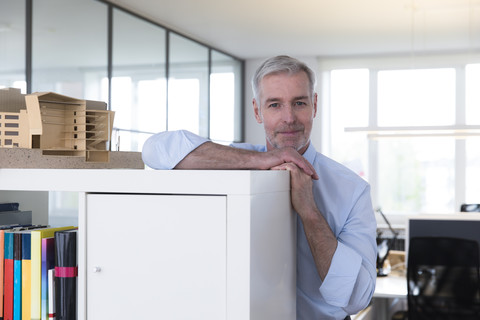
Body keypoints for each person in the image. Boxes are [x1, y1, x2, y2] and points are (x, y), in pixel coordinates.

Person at [142, 55, 377, 319]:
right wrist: (261, 160)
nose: (289, 118)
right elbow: (155, 151)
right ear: (257, 110)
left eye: (299, 103)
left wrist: (310, 212)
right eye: (275, 104)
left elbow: (357, 298)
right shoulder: (234, 163)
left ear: (314, 105)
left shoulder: (353, 191)